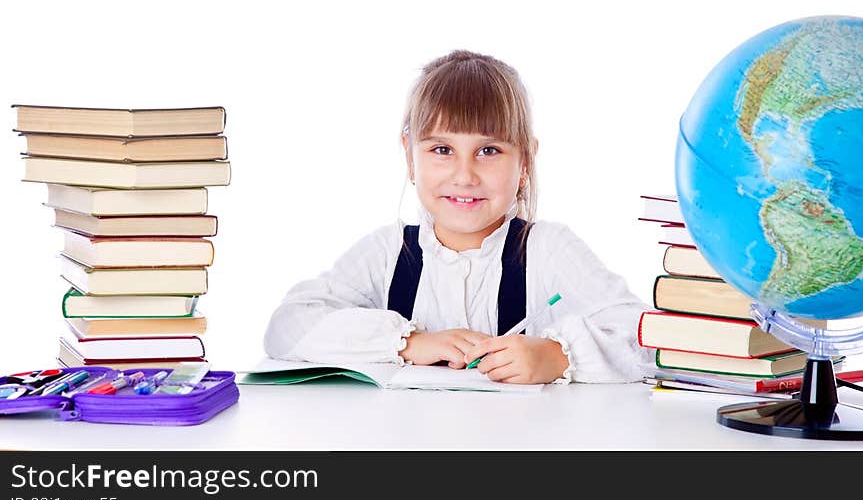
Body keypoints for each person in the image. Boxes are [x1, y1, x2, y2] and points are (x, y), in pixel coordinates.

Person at [264, 50, 654, 384]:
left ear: (524, 161)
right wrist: (408, 342)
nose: (464, 176)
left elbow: (647, 338)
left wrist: (558, 356)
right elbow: (288, 326)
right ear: (409, 155)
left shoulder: (548, 249)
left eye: (488, 151)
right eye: (441, 149)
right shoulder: (389, 252)